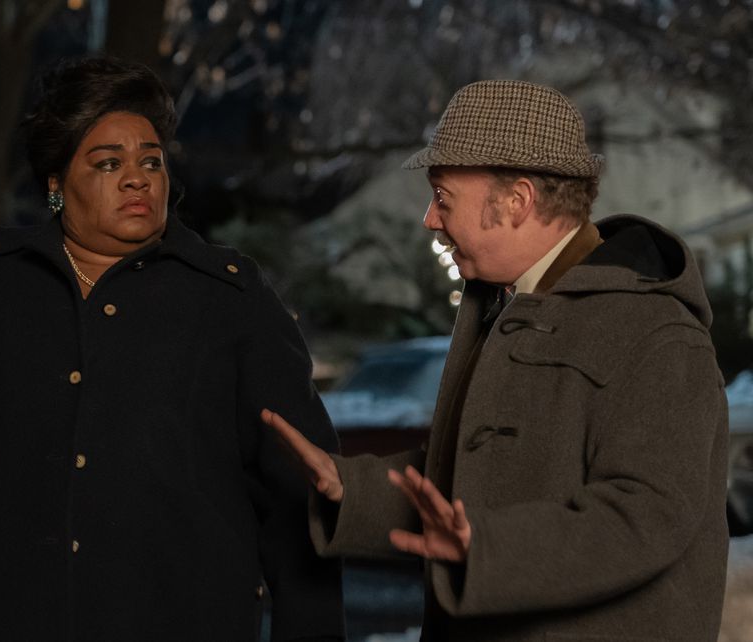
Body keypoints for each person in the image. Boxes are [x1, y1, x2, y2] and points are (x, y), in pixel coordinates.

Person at [0, 56, 344, 641]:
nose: (138, 178)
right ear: (56, 186)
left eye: (150, 161)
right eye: (109, 163)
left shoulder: (230, 297)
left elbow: (298, 490)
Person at [264, 79, 728, 641]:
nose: (429, 220)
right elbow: (477, 472)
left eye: (442, 198)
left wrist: (487, 549)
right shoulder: (506, 305)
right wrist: (349, 490)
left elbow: (645, 517)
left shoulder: (659, 333)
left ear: (517, 201)